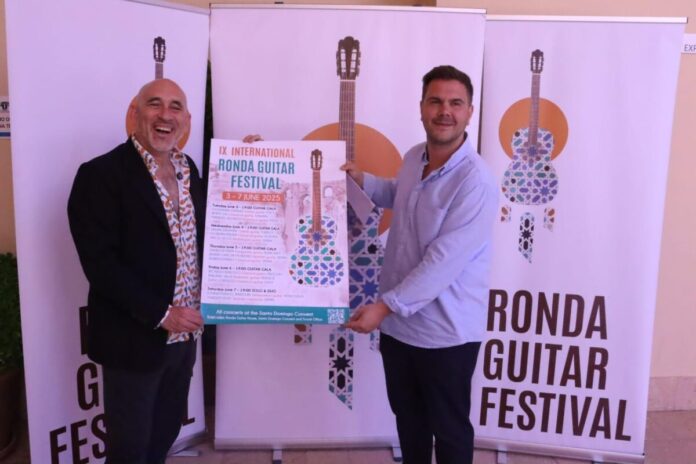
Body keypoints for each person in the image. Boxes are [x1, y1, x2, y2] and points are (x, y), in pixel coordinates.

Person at [344, 65, 498, 464]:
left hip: (445, 334)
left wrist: (383, 308)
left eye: (455, 103)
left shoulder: (475, 181)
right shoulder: (415, 157)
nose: (445, 111)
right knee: (409, 423)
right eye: (436, 101)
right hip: (400, 329)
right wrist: (362, 180)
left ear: (469, 112)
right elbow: (401, 194)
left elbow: (442, 262)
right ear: (421, 108)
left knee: (449, 431)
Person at [68, 78, 205, 464]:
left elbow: (218, 226)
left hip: (185, 339)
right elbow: (101, 264)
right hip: (134, 338)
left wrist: (246, 161)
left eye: (175, 107)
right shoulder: (100, 175)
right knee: (130, 448)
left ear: (186, 119)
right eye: (154, 104)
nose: (165, 115)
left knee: (164, 434)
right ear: (135, 113)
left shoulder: (188, 169)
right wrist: (163, 314)